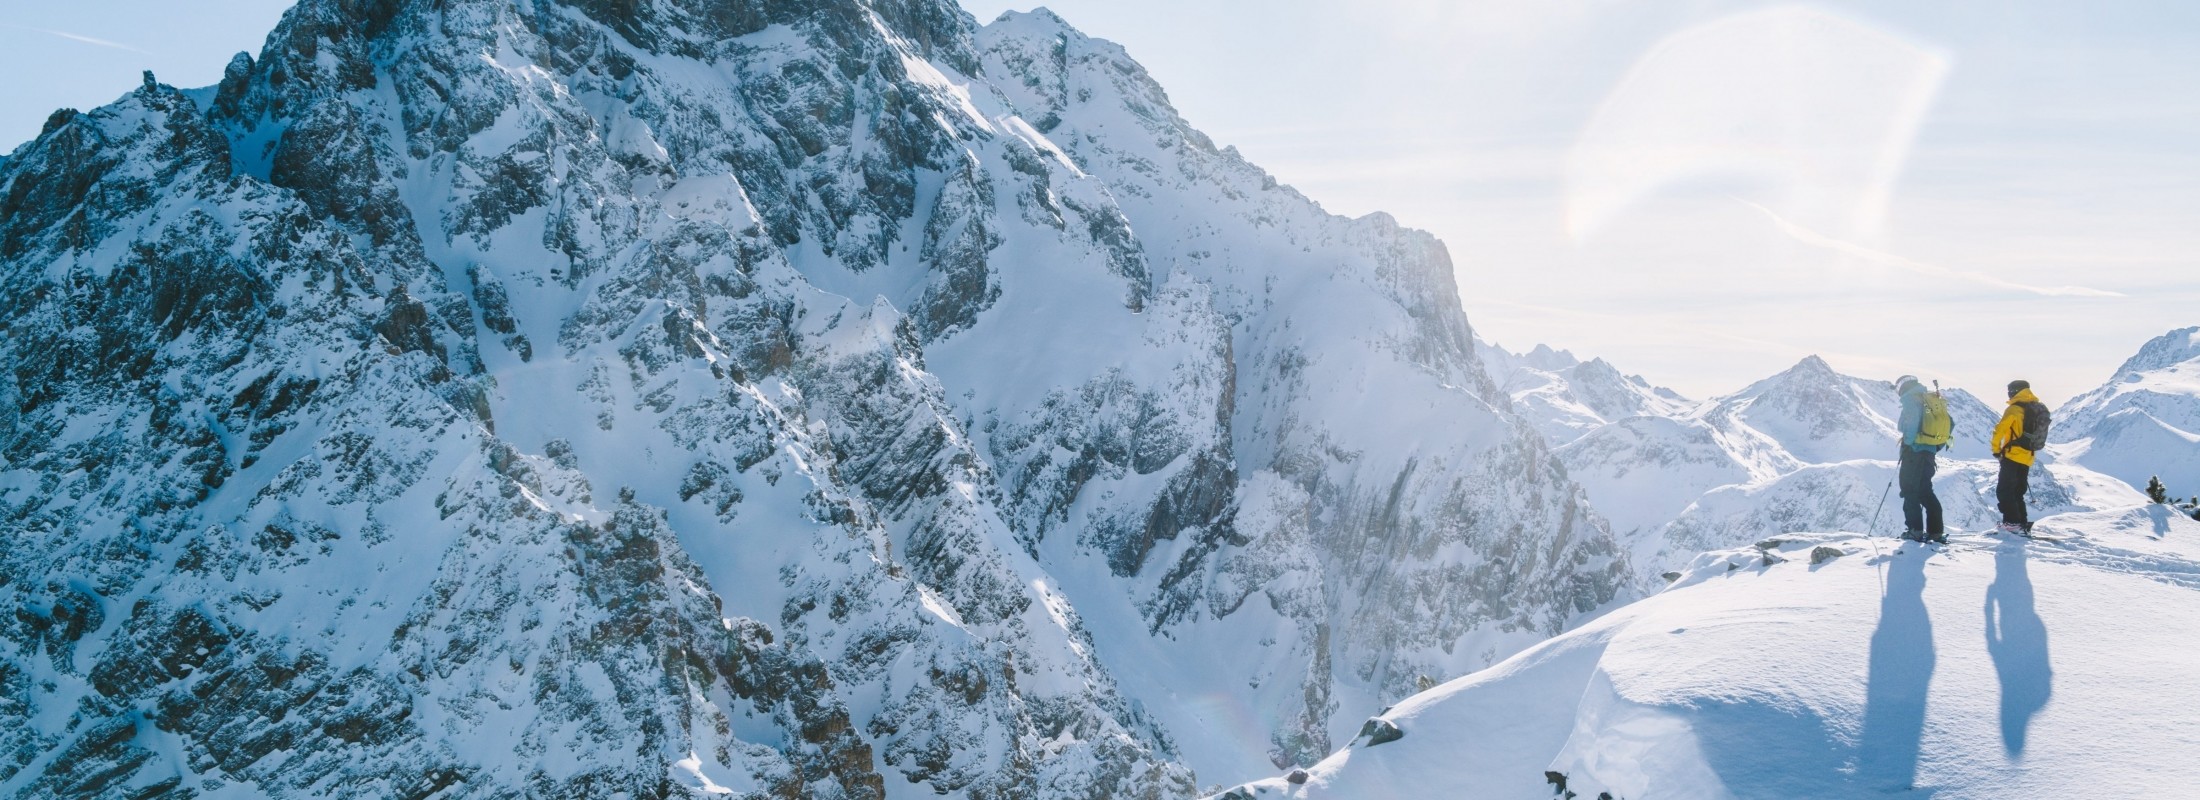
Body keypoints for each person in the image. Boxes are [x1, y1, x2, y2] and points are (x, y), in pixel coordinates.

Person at [1991, 380, 2051, 535]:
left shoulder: (2014, 409)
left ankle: (2011, 523)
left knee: (2004, 490)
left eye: (2009, 391)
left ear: (2014, 391)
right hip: (2028, 455)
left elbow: (1999, 430)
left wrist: (1996, 450)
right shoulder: (2036, 408)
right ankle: (2021, 522)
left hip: (2012, 454)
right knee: (2018, 491)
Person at [1893, 376, 1947, 543]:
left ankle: (1915, 530)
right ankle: (1935, 531)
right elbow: (1949, 423)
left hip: (1913, 451)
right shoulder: (1931, 398)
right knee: (1925, 490)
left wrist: (1908, 443)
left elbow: (1911, 422)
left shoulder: (1909, 399)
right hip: (1929, 452)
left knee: (1909, 489)